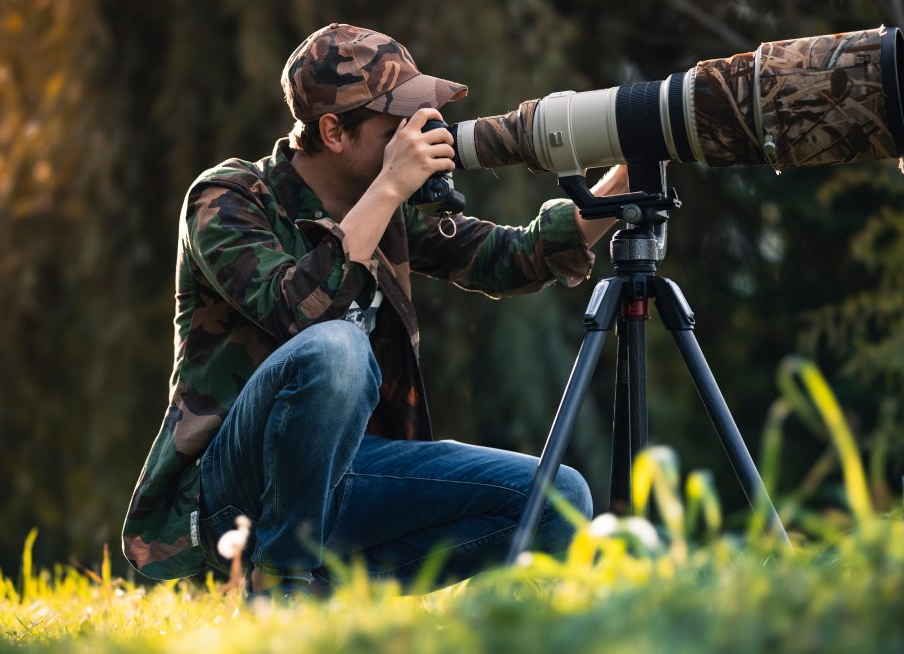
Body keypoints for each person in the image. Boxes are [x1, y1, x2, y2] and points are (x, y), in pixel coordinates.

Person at [122, 23, 628, 600]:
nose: (423, 132)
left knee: (559, 496)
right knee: (336, 347)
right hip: (232, 490)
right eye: (399, 122)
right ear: (334, 131)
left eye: (423, 114)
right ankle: (279, 587)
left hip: (345, 479)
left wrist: (630, 168)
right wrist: (388, 188)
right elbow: (297, 311)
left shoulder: (393, 207)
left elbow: (511, 258)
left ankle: (336, 589)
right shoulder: (228, 198)